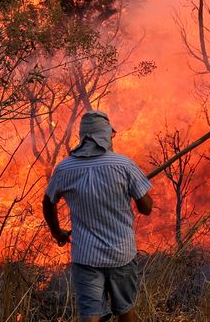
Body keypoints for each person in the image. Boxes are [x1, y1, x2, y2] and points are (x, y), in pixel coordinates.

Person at [43, 110, 153, 322]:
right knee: (125, 312)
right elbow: (146, 208)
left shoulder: (65, 168)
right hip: (121, 255)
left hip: (85, 257)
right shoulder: (123, 165)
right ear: (106, 135)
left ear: (83, 137)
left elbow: (48, 202)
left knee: (91, 317)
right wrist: (138, 190)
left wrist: (57, 232)